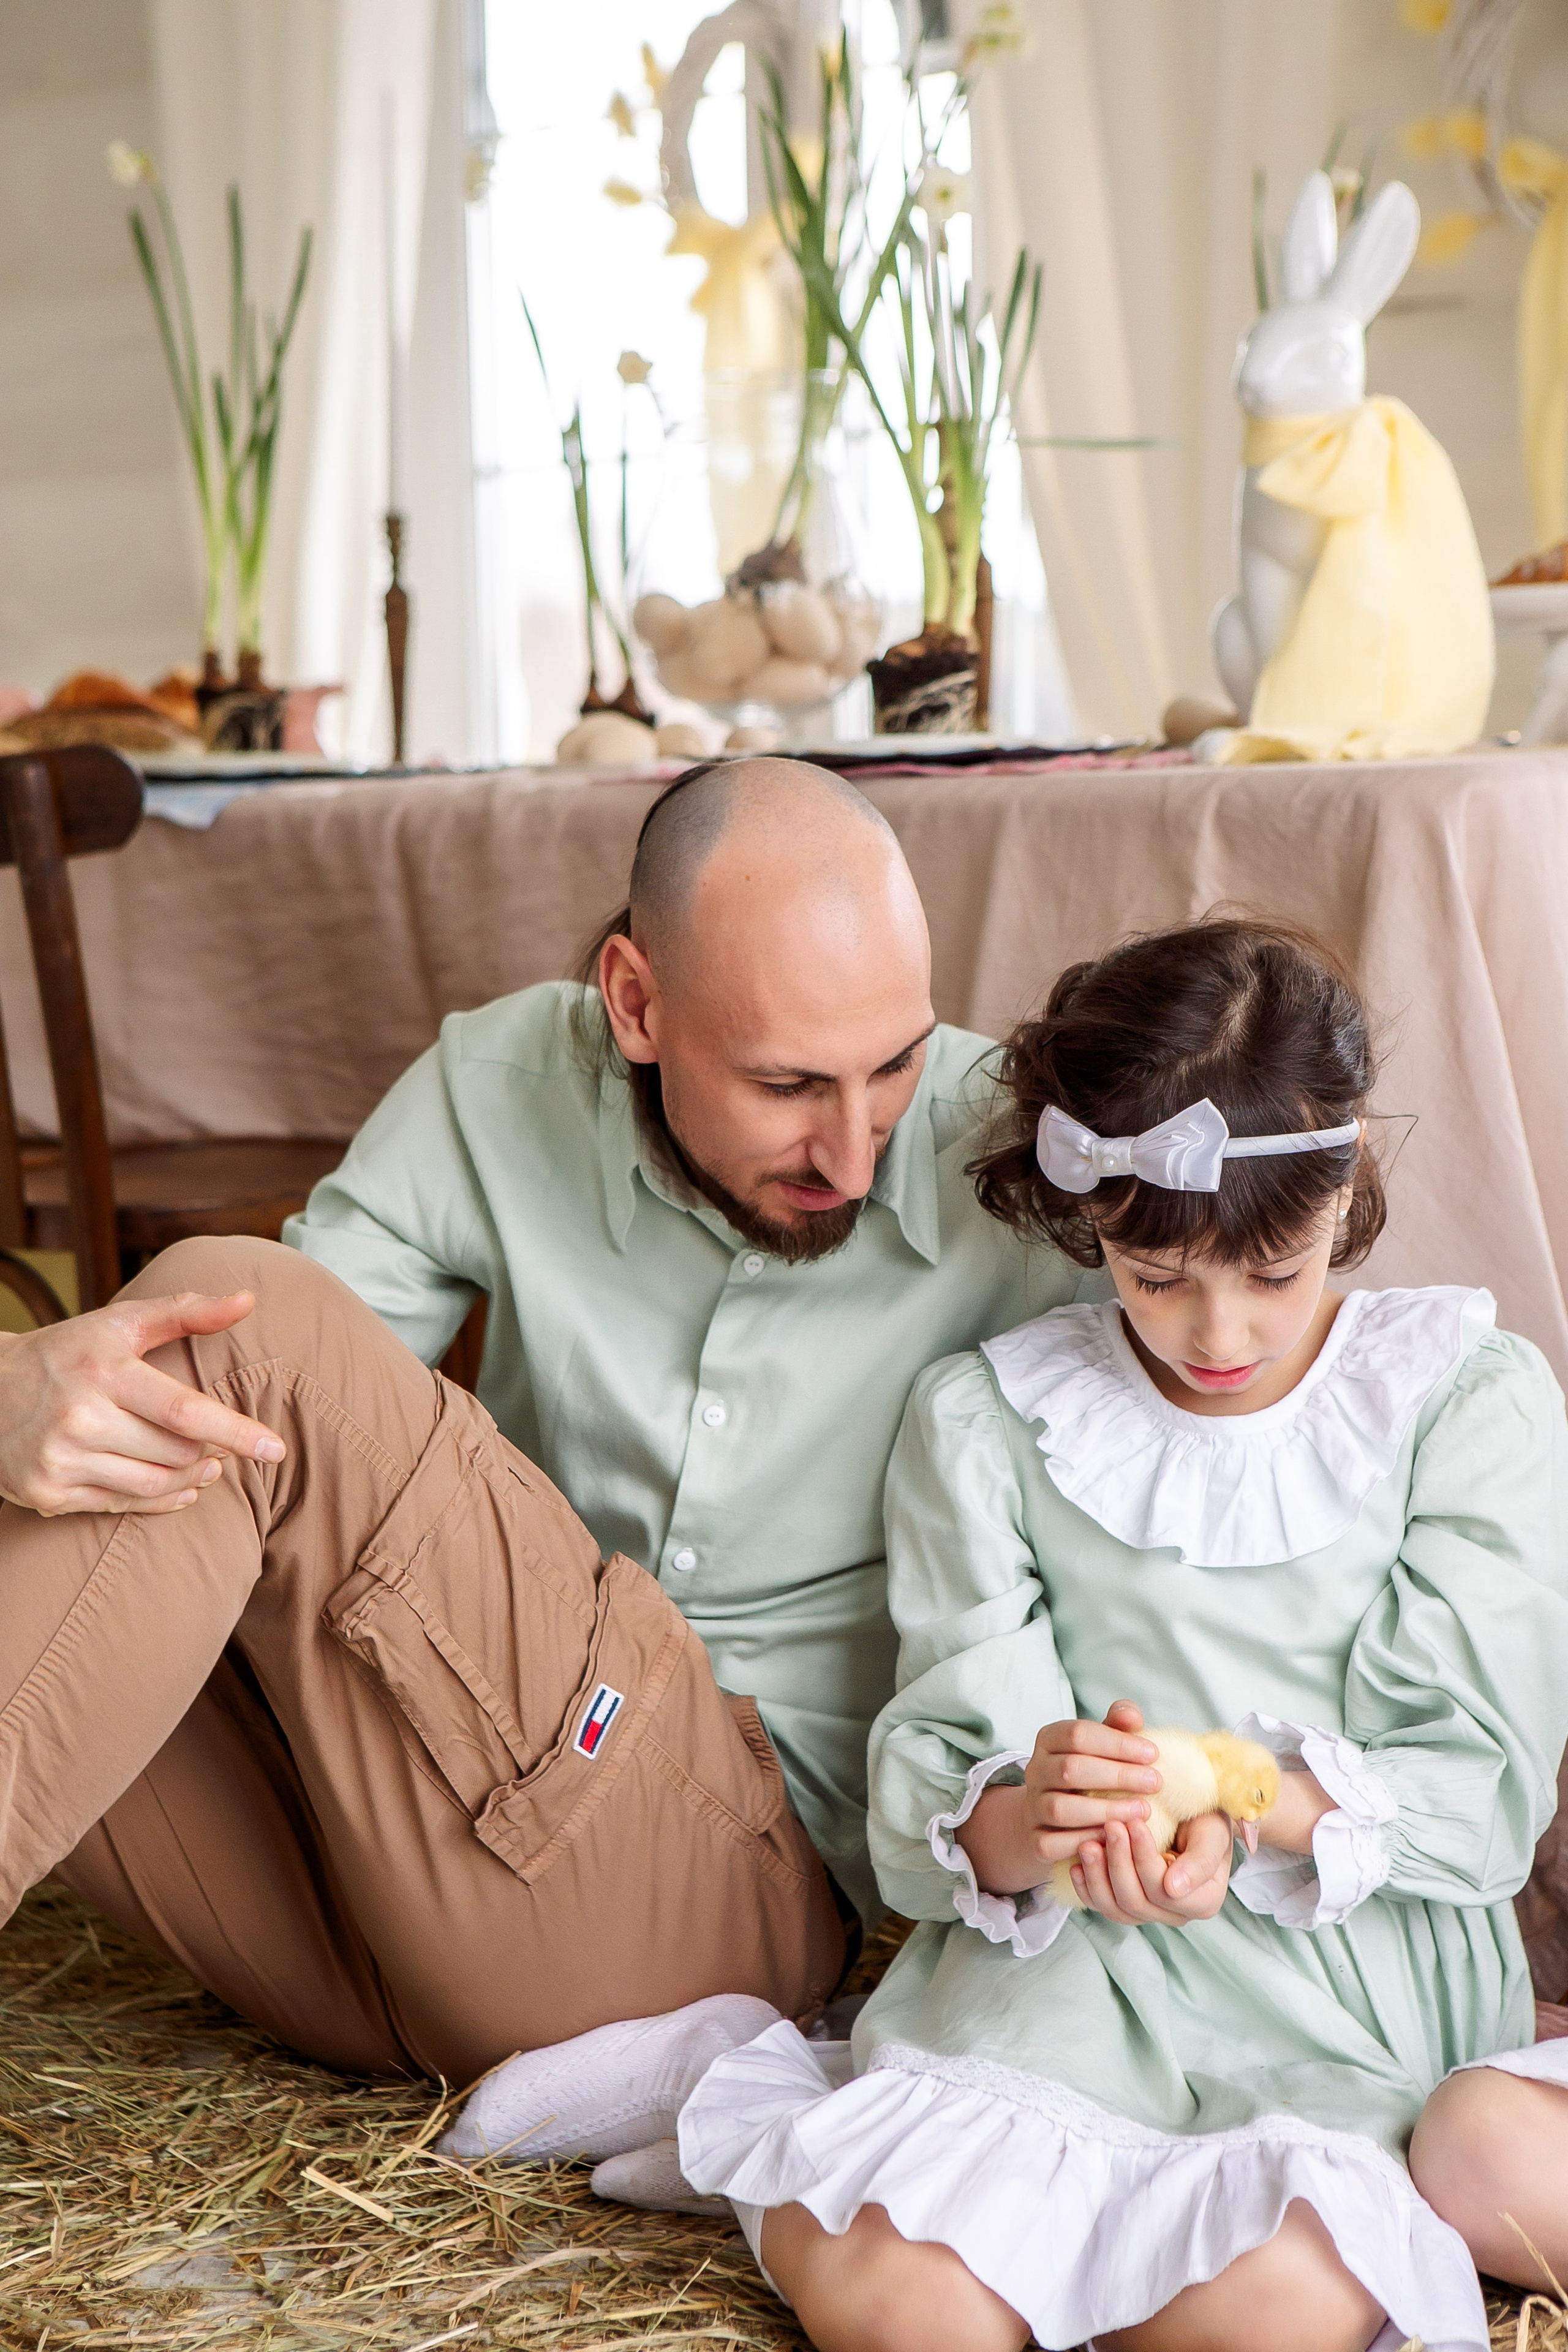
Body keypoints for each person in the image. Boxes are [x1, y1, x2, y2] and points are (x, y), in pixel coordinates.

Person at [0, 758, 1081, 2089]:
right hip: (379, 1904)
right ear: (635, 1001)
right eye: (787, 1085)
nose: (852, 1156)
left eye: (894, 1065)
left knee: (228, 1338)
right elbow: (244, 1421)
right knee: (112, 1438)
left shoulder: (1023, 1166)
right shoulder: (503, 1081)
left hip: (709, 1900)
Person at [677, 918, 1568, 2352]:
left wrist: (1231, 1790)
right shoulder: (987, 1419)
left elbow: (1475, 1798)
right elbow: (938, 1794)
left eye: (1271, 1276)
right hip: (1067, 1971)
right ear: (1085, 1222)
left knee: (1263, 2301)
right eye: (1155, 1281)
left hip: (1341, 1970)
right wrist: (1054, 1814)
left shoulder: (1458, 1400)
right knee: (907, 2306)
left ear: (1344, 1196)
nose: (1214, 1331)